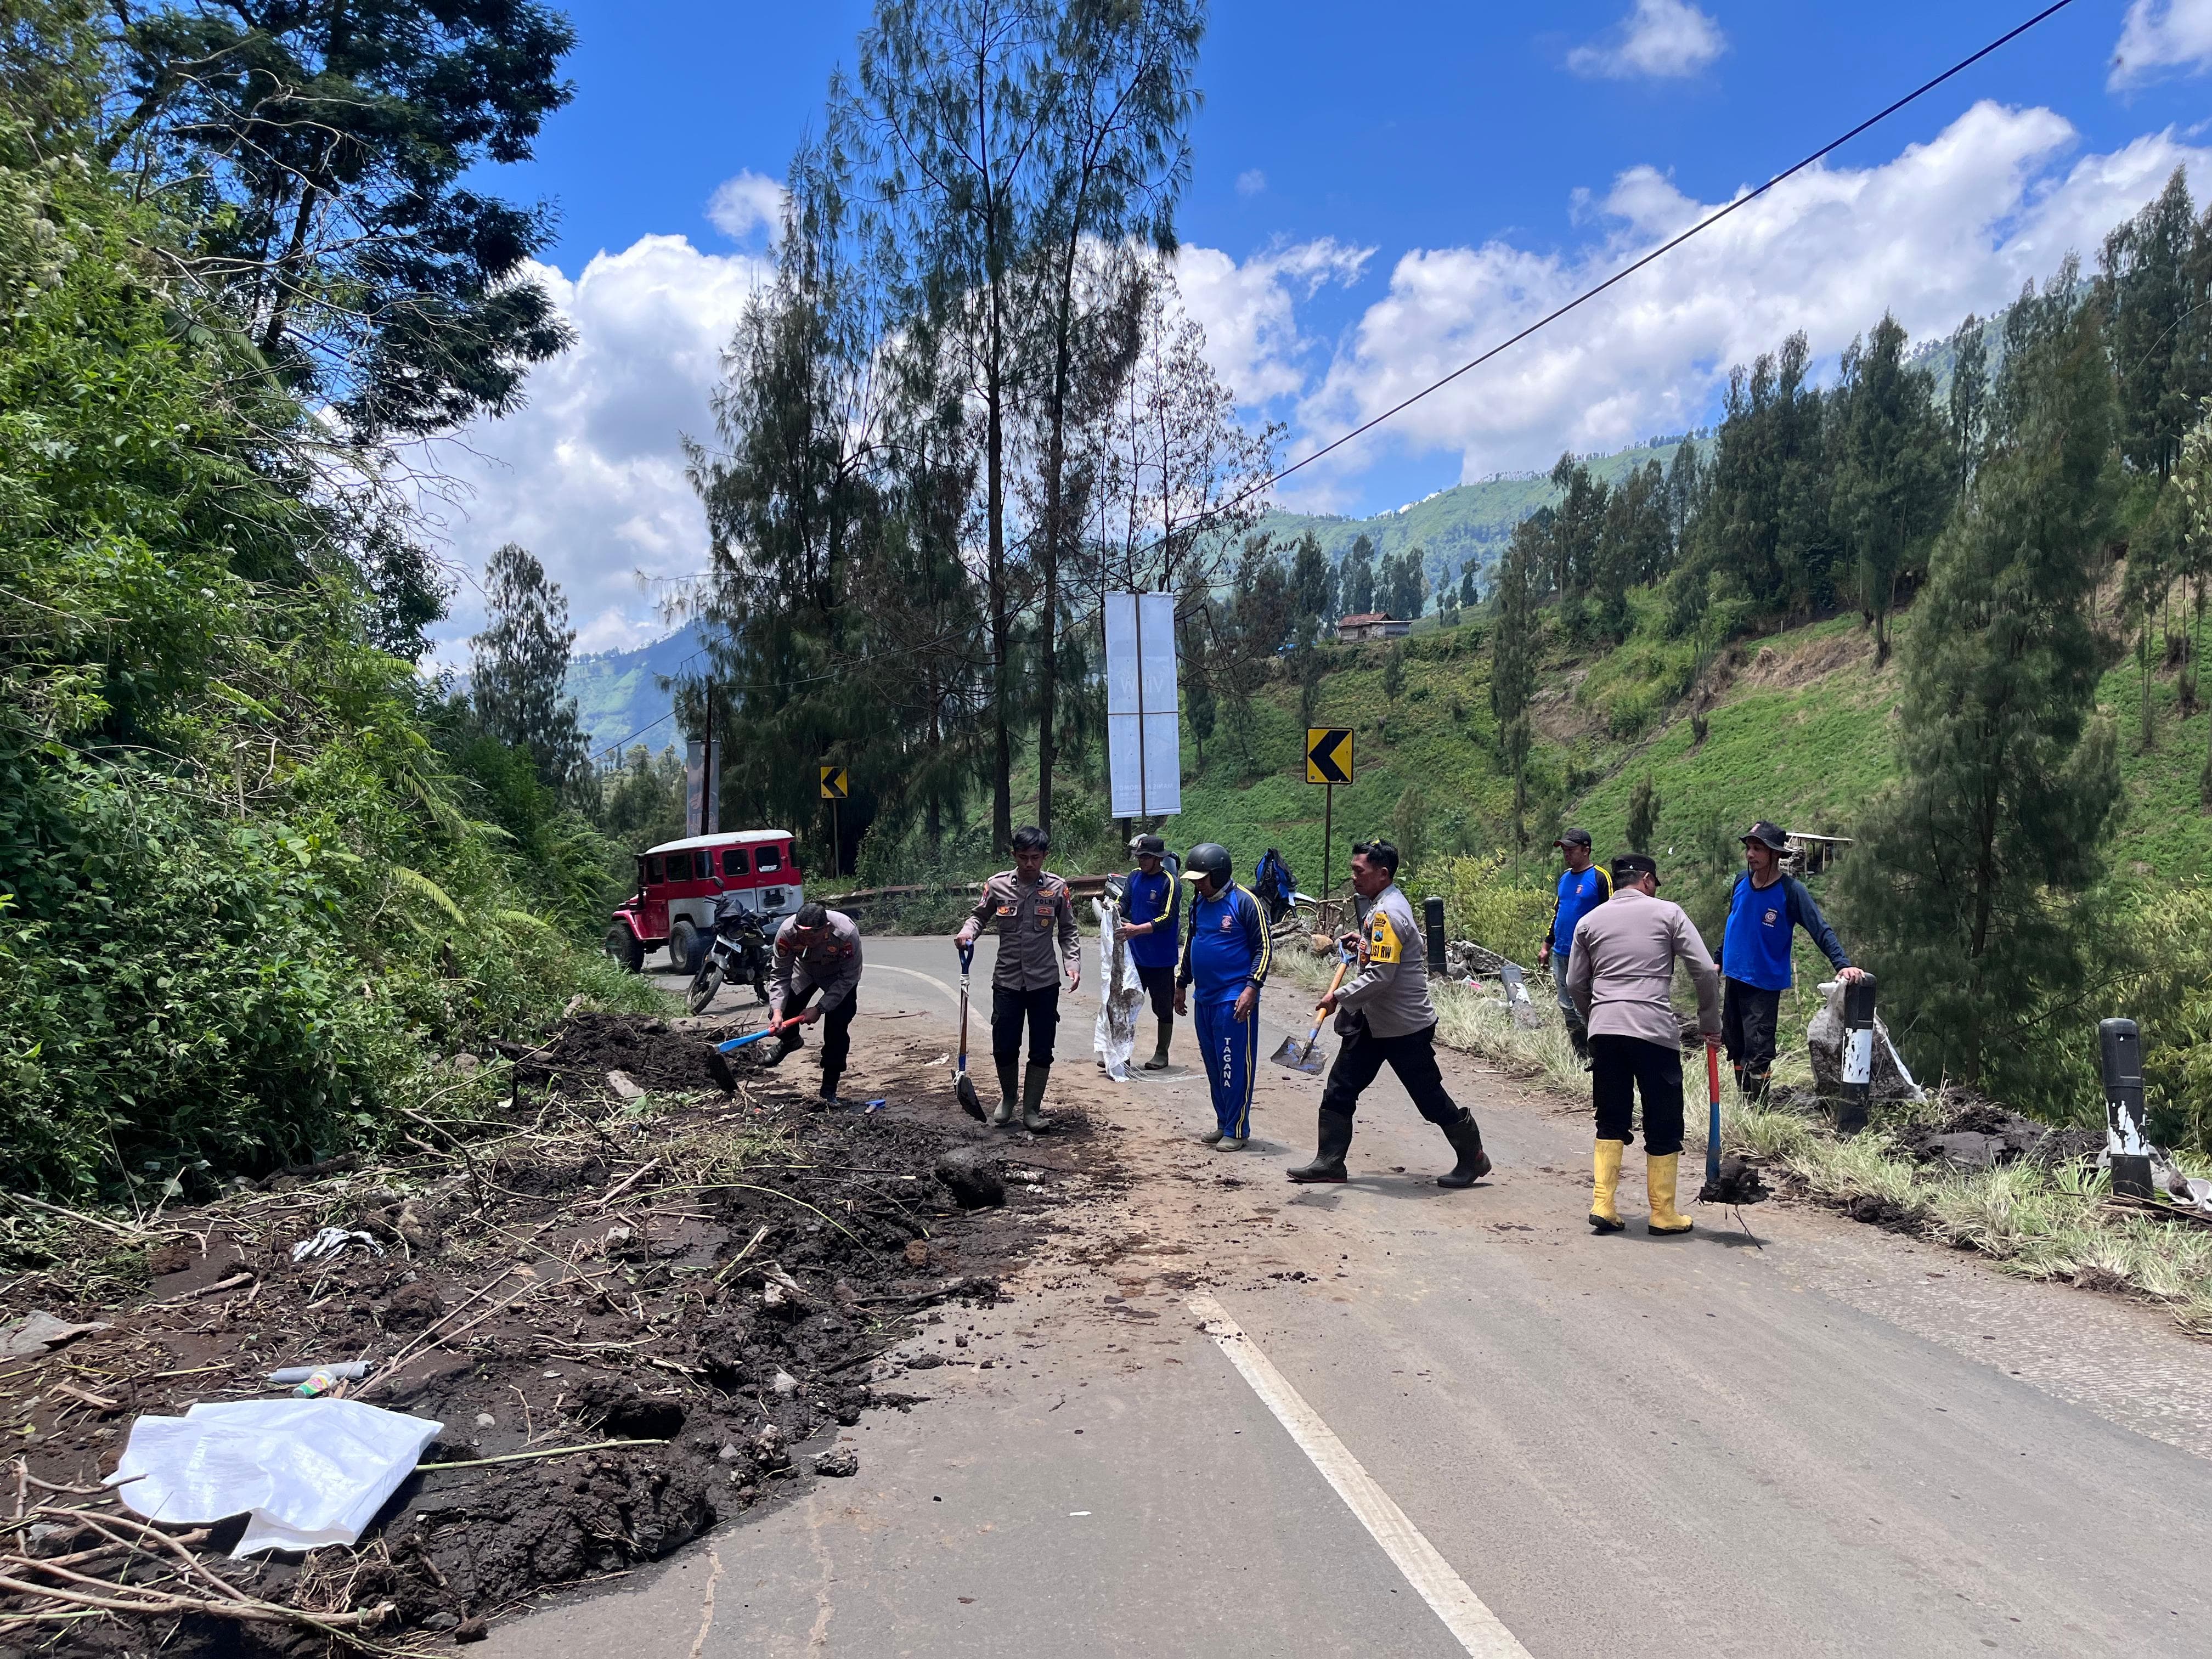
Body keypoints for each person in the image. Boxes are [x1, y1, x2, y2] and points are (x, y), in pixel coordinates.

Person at [1286, 839, 1491, 1189]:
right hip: (1372, 1022)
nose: (1353, 877)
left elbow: (1382, 975)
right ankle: (1330, 1162)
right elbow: (1381, 953)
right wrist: (1362, 940)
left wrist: (1337, 996)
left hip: (1403, 1027)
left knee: (1429, 1098)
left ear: (1383, 874)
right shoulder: (1381, 907)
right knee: (1340, 1087)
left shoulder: (1388, 913)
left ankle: (1472, 1156)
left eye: (1359, 871)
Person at [1565, 854, 1720, 1237]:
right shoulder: (1669, 914)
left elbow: (1573, 984)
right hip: (1653, 1031)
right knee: (1663, 1118)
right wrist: (1709, 1023)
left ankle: (1603, 1203)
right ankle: (1662, 1212)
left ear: (1617, 882)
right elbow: (1703, 969)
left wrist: (1597, 1017)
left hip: (1606, 1030)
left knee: (1611, 1116)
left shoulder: (1589, 921)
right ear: (1648, 880)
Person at [1715, 821, 1861, 1104]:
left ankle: (1758, 1110)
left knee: (1758, 1049)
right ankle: (1744, 1106)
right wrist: (1718, 960)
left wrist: (1841, 963)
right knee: (1736, 1044)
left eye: (1758, 848)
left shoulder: (1792, 891)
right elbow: (1733, 925)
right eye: (1748, 847)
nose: (1750, 854)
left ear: (1775, 854)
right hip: (1734, 978)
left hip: (1763, 984)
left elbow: (1820, 928)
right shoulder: (1740, 883)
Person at [956, 825, 1081, 1130]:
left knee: (1041, 1048)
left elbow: (1068, 929)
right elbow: (979, 916)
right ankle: (1008, 1098)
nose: (1029, 864)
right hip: (1008, 981)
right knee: (1005, 1046)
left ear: (1044, 857)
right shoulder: (997, 886)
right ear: (1014, 855)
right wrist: (967, 932)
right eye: (1023, 857)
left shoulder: (1056, 888)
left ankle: (1032, 1111)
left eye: (1035, 858)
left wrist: (1072, 962)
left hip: (1044, 983)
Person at [1173, 843, 1271, 1150]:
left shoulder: (1245, 903)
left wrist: (1252, 987)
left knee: (1233, 1065)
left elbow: (1264, 948)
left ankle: (1237, 1128)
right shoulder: (1199, 903)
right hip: (1204, 997)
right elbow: (1192, 943)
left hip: (1234, 999)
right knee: (1214, 1064)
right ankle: (1222, 1122)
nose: (1197, 884)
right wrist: (1181, 983)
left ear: (1218, 874)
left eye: (1201, 879)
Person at [765, 901, 864, 1107]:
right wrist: (777, 1011)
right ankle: (790, 1041)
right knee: (781, 1013)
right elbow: (780, 974)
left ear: (826, 928)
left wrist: (819, 1009)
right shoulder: (786, 933)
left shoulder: (846, 933)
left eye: (812, 937)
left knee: (836, 1030)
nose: (806, 941)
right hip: (805, 971)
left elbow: (849, 978)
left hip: (838, 979)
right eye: (802, 936)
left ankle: (829, 1088)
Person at [1537, 827, 1612, 1063]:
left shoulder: (1600, 877)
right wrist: (1547, 945)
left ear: (1586, 850)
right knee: (1566, 1006)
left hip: (1587, 954)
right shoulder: (1565, 877)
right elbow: (1559, 912)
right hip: (1561, 952)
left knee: (1588, 1004)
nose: (1567, 854)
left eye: (1571, 849)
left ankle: (1599, 1055)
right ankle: (1580, 1056)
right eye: (1564, 850)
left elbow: (1611, 914)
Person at [1115, 833, 1182, 1070]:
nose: (1140, 861)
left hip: (1161, 959)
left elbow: (1167, 917)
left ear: (1157, 859)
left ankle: (1161, 1053)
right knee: (1126, 1004)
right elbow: (1126, 902)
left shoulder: (1169, 882)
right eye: (1139, 856)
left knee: (1162, 1007)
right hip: (1136, 956)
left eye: (1145, 857)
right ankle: (1121, 1053)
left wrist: (1137, 929)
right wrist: (1115, 908)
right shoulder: (1134, 877)